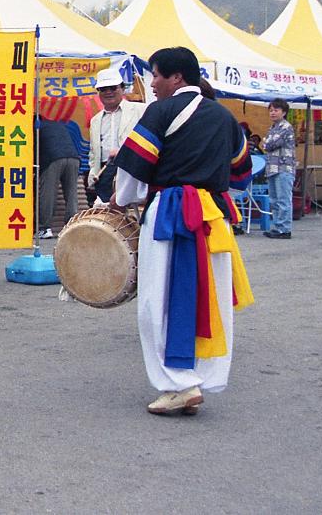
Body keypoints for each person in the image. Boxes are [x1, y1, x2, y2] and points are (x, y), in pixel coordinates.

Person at [108, 46, 255, 416]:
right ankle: (198, 378)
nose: (152, 83)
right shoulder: (225, 119)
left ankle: (178, 384)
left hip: (170, 214)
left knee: (158, 300)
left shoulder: (160, 112)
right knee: (210, 299)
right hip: (213, 219)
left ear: (177, 78)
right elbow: (241, 178)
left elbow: (133, 172)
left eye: (156, 75)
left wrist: (120, 200)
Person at [86, 67, 145, 207]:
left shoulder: (140, 110)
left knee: (132, 212)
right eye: (103, 89)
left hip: (130, 169)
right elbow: (94, 153)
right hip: (105, 171)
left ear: (122, 88)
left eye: (113, 88)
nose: (108, 92)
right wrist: (93, 176)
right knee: (108, 216)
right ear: (98, 92)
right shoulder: (95, 120)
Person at [36, 116, 80, 237]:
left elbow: (32, 148)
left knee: (48, 193)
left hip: (53, 159)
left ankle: (44, 228)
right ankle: (72, 224)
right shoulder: (56, 124)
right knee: (71, 193)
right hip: (73, 158)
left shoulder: (35, 126)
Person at [262, 98, 297, 239]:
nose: (272, 113)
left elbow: (269, 145)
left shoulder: (285, 127)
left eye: (276, 110)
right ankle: (277, 227)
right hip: (272, 168)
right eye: (270, 110)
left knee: (283, 199)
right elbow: (267, 144)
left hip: (284, 168)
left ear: (284, 112)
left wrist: (266, 142)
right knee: (274, 200)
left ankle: (285, 229)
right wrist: (266, 142)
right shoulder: (272, 128)